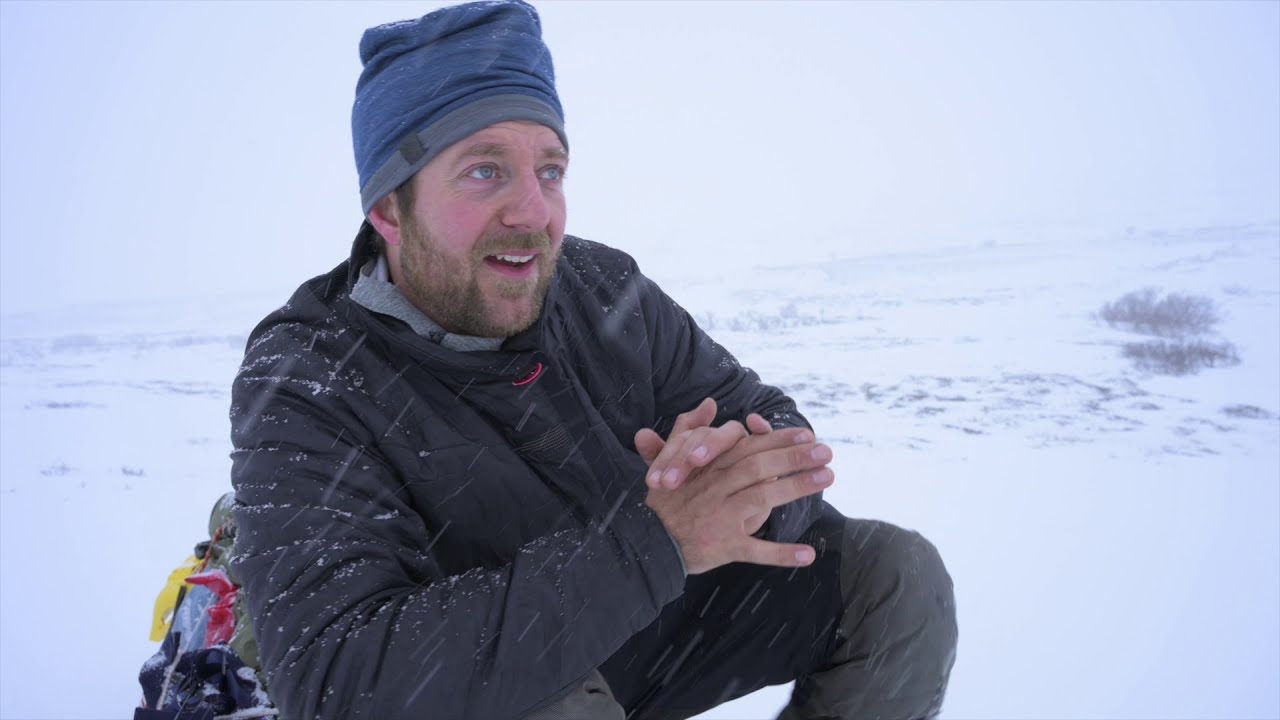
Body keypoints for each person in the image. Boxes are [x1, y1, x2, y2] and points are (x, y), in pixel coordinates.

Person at [227, 2, 957, 718]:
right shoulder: (309, 375)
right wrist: (661, 542)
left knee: (893, 581)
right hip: (508, 677)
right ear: (389, 209)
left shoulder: (603, 289)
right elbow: (338, 680)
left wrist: (738, 482)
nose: (533, 211)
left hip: (658, 632)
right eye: (485, 172)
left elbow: (774, 428)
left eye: (549, 171)